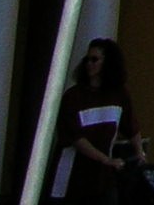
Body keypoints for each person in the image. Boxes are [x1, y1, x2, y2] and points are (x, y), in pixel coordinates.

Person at [48, 39, 140, 205]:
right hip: (71, 178)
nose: (89, 64)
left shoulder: (120, 95)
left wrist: (140, 153)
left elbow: (131, 127)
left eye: (95, 59)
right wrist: (106, 160)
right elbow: (76, 138)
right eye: (87, 59)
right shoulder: (73, 97)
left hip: (102, 179)